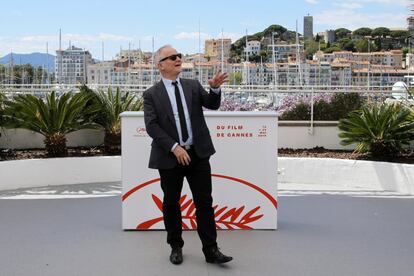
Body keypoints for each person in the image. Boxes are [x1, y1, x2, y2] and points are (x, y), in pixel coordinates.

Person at [143, 45, 233, 265]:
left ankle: (211, 250)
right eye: (172, 57)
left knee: (204, 203)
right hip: (170, 157)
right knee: (171, 203)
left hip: (198, 155)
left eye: (179, 56)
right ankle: (175, 246)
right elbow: (152, 126)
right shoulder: (151, 94)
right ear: (161, 65)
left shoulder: (192, 86)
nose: (178, 59)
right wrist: (175, 147)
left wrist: (214, 89)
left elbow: (212, 104)